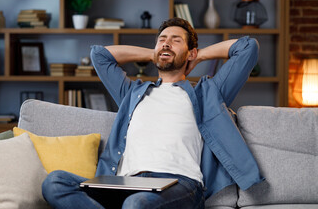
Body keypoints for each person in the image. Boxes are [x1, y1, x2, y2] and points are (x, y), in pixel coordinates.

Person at [42, 18, 264, 209]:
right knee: (55, 182)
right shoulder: (132, 93)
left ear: (190, 52)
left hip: (180, 185)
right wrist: (155, 53)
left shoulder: (207, 94)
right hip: (123, 183)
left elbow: (248, 48)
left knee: (136, 204)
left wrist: (198, 56)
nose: (166, 43)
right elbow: (99, 55)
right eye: (162, 39)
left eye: (176, 40)